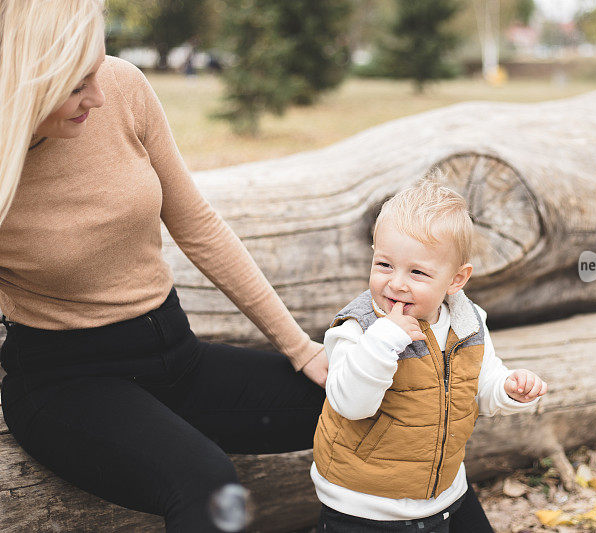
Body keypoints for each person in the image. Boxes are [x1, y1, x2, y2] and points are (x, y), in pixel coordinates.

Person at [0, 1, 500, 531]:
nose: (98, 95)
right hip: (66, 384)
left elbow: (200, 227)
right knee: (208, 484)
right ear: (26, 77)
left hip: (176, 358)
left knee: (394, 399)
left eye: (97, 69)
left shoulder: (122, 88)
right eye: (77, 84)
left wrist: (299, 348)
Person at [311, 179, 548, 532]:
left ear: (455, 280)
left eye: (417, 272)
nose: (397, 283)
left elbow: (479, 385)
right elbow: (350, 403)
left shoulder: (468, 324)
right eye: (385, 265)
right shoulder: (357, 328)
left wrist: (507, 388)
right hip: (364, 504)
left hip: (445, 494)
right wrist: (383, 341)